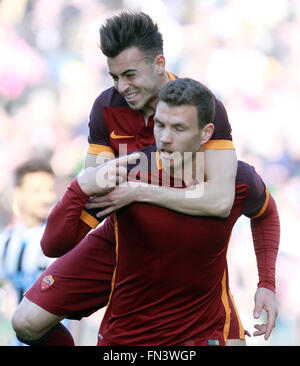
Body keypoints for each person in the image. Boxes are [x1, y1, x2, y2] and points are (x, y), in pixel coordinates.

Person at [12, 78, 280, 346]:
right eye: (160, 125)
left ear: (206, 133)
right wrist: (79, 187)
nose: (165, 138)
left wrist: (266, 282)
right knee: (24, 322)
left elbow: (266, 214)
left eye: (178, 128)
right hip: (129, 334)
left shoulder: (237, 180)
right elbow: (53, 244)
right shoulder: (129, 171)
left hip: (202, 330)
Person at [0, 159, 56, 345]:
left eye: (50, 189)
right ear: (17, 194)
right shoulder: (6, 241)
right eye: (37, 191)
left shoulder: (63, 240)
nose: (47, 197)